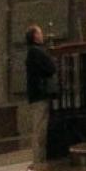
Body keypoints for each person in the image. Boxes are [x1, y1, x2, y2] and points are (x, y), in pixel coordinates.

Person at [25, 26, 58, 161]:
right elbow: (51, 68)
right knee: (40, 129)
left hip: (37, 94)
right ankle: (38, 160)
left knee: (40, 128)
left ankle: (40, 158)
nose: (42, 35)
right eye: (39, 32)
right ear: (35, 36)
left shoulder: (33, 52)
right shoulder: (36, 52)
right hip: (39, 94)